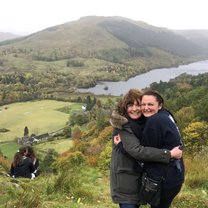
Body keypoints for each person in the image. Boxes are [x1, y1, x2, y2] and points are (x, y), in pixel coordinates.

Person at [110, 89, 182, 208]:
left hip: (139, 177)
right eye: (130, 105)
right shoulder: (123, 125)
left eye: (138, 104)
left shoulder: (146, 122)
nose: (135, 109)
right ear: (124, 107)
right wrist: (169, 154)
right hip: (126, 180)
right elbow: (137, 151)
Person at [139, 90, 184, 208]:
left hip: (164, 179)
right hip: (175, 175)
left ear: (159, 105)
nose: (146, 108)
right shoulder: (166, 115)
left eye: (150, 104)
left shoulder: (154, 121)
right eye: (143, 104)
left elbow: (145, 153)